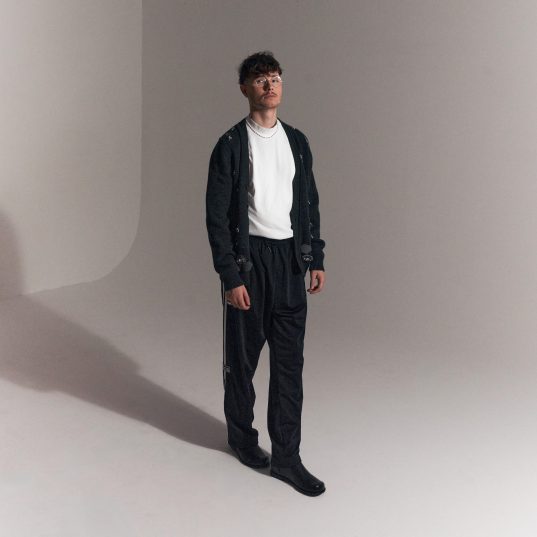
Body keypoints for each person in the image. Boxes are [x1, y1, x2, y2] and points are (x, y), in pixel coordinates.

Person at [205, 51, 326, 496]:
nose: (270, 85)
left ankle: (287, 460)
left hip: (290, 262)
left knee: (290, 367)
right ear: (245, 89)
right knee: (242, 363)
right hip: (251, 264)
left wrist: (316, 257)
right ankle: (241, 438)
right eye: (260, 80)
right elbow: (217, 218)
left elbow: (309, 202)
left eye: (275, 77)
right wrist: (231, 276)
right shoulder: (231, 145)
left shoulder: (297, 141)